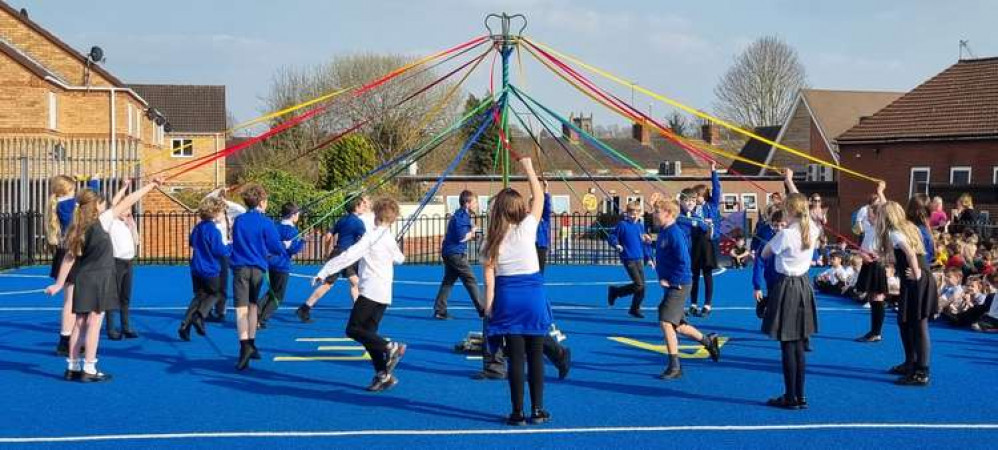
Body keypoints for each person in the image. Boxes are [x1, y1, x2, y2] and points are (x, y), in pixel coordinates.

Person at [45, 177, 163, 382]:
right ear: (97, 206)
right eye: (102, 203)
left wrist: (59, 283)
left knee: (79, 324)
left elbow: (68, 258)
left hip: (82, 279)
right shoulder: (102, 221)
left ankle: (72, 367)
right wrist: (151, 185)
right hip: (99, 279)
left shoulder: (77, 226)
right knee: (93, 325)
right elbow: (128, 201)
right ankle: (89, 368)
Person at [482, 150, 552, 426]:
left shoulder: (491, 241)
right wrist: (528, 168)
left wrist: (489, 307)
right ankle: (537, 410)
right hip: (532, 296)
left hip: (507, 297)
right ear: (517, 209)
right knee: (536, 355)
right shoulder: (526, 228)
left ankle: (517, 412)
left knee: (515, 357)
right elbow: (540, 198)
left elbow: (489, 279)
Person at [313, 198, 407, 392]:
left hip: (371, 291)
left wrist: (324, 271)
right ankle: (383, 375)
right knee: (368, 336)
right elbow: (400, 259)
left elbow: (348, 255)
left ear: (375, 217)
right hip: (384, 295)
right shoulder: (388, 238)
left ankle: (390, 346)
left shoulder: (371, 237)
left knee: (353, 330)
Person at [650, 198, 722, 380]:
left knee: (666, 321)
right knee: (679, 325)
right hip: (671, 284)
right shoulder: (664, 232)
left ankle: (675, 365)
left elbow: (684, 261)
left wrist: (673, 281)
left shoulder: (675, 233)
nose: (653, 214)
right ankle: (708, 341)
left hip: (679, 284)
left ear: (668, 213)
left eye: (657, 211)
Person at [760, 193, 820, 409]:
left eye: (786, 208)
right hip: (804, 285)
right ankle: (799, 395)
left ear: (791, 211)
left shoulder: (785, 234)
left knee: (788, 344)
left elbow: (765, 254)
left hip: (786, 286)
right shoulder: (812, 229)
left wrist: (771, 238)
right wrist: (789, 181)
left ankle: (790, 396)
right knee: (798, 345)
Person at [230, 184, 291, 371]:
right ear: (262, 202)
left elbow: (238, 241)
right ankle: (251, 344)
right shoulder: (266, 222)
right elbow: (276, 248)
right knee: (252, 306)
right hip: (257, 269)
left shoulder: (239, 220)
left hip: (240, 268)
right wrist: (284, 246)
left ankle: (245, 346)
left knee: (241, 309)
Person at [878, 201, 938, 386]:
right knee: (904, 322)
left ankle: (922, 371)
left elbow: (911, 254)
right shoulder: (909, 228)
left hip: (916, 279)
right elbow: (903, 255)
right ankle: (911, 362)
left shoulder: (894, 232)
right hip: (914, 279)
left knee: (919, 325)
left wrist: (917, 272)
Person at [296, 196, 371, 323]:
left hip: (339, 254)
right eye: (361, 205)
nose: (363, 207)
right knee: (334, 284)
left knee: (354, 283)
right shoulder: (358, 223)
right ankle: (305, 308)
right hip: (345, 256)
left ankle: (358, 313)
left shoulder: (342, 220)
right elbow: (366, 240)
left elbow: (328, 236)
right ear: (356, 207)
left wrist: (326, 252)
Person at [46, 175, 95, 356]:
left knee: (71, 300)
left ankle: (69, 338)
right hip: (70, 254)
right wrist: (93, 182)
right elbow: (90, 200)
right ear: (68, 189)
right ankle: (65, 340)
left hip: (65, 252)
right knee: (71, 301)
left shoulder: (61, 203)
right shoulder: (66, 204)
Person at [180, 197, 231, 341]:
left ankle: (185, 325)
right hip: (209, 268)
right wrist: (230, 246)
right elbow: (219, 250)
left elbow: (191, 242)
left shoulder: (198, 227)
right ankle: (200, 315)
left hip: (196, 267)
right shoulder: (213, 230)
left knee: (199, 296)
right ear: (214, 212)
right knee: (215, 293)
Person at [433, 190, 482, 320]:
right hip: (455, 254)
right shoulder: (461, 217)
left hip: (450, 252)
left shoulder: (461, 216)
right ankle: (483, 310)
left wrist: (472, 234)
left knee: (448, 281)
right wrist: (472, 231)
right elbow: (461, 238)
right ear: (467, 203)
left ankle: (440, 310)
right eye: (475, 202)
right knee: (470, 280)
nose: (477, 205)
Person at [258, 202, 305, 328]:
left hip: (270, 263)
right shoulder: (292, 230)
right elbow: (293, 250)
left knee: (272, 291)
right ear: (293, 215)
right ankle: (262, 318)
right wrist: (303, 242)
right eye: (297, 214)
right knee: (278, 295)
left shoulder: (275, 226)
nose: (298, 216)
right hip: (281, 265)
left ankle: (257, 311)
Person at [204, 187, 246, 323]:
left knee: (222, 282)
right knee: (210, 281)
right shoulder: (212, 216)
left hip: (224, 252)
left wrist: (226, 202)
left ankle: (220, 310)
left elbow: (242, 210)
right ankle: (207, 309)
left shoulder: (229, 214)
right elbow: (204, 201)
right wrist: (216, 192)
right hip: (211, 251)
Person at [607, 201, 653, 318]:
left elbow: (644, 244)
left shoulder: (640, 226)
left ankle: (634, 308)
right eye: (631, 213)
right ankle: (616, 292)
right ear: (627, 213)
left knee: (643, 287)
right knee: (639, 285)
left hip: (639, 258)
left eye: (636, 213)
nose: (634, 215)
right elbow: (612, 236)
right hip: (628, 258)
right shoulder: (622, 225)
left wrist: (649, 258)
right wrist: (616, 244)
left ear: (640, 213)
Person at [106, 180, 140, 340]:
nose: (128, 210)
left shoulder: (128, 223)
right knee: (113, 296)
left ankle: (126, 326)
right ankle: (111, 328)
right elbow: (114, 202)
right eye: (125, 208)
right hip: (116, 262)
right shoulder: (111, 221)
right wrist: (124, 187)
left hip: (128, 262)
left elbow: (137, 241)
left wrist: (131, 225)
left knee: (125, 297)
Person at [855, 182, 889, 343]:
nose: (867, 215)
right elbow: (862, 249)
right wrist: (863, 255)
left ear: (876, 215)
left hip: (877, 265)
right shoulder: (869, 229)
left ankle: (876, 332)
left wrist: (880, 191)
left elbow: (886, 207)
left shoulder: (881, 228)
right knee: (872, 297)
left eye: (869, 213)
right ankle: (874, 331)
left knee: (877, 297)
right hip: (868, 263)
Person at [688, 162, 722, 318]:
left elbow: (717, 188)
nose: (696, 198)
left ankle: (707, 305)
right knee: (694, 275)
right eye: (695, 196)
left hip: (708, 244)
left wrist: (713, 170)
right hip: (695, 244)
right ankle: (693, 304)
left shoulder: (712, 205)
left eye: (698, 196)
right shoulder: (692, 208)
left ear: (704, 195)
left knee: (707, 275)